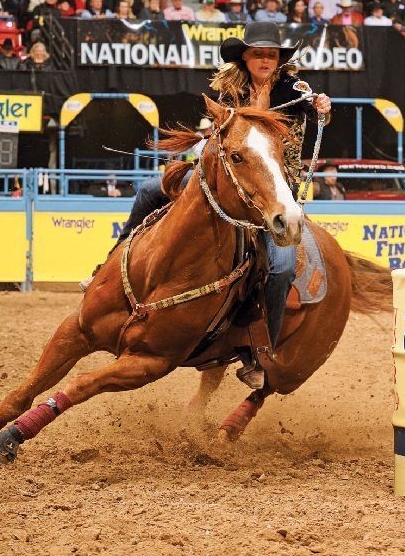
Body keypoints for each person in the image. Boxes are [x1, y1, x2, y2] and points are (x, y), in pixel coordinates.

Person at [81, 22, 331, 391]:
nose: (264, 59)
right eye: (258, 53)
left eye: (271, 54)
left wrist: (321, 104)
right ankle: (109, 265)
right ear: (244, 57)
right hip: (221, 178)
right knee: (150, 190)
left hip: (271, 188)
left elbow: (313, 103)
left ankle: (259, 350)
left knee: (279, 266)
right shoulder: (228, 92)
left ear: (279, 60)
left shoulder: (292, 88)